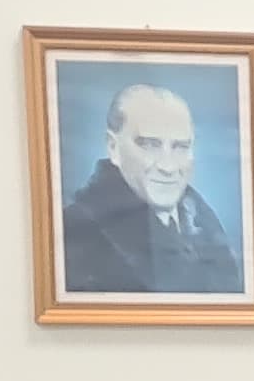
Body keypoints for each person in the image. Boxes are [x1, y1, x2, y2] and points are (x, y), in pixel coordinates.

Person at [57, 81, 240, 294]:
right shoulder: (77, 234)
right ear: (113, 147)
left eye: (181, 146)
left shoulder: (202, 218)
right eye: (150, 145)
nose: (168, 166)